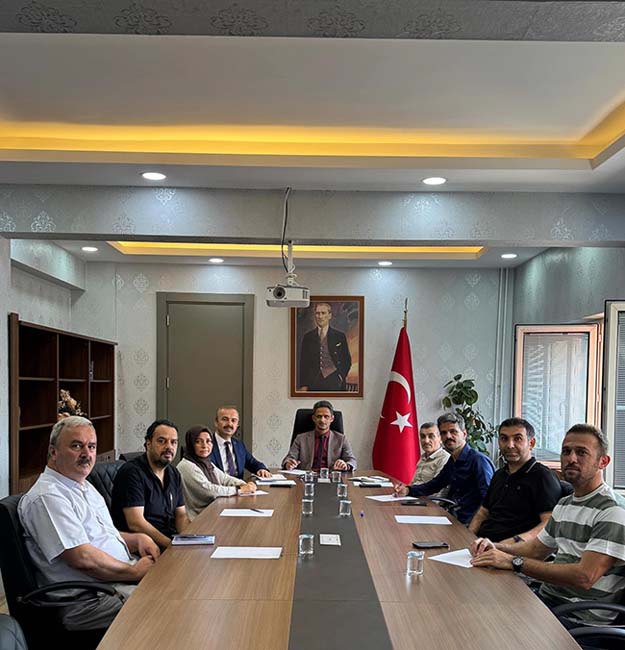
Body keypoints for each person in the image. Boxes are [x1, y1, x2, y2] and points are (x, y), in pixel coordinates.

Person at [471, 424, 625, 626]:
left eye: (581, 453)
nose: (571, 458)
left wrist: (514, 562)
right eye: (566, 451)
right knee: (476, 607)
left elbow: (584, 577)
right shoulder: (565, 504)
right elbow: (536, 550)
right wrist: (496, 548)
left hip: (578, 618)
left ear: (603, 462)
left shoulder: (613, 510)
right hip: (547, 602)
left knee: (488, 625)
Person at [18, 416, 159, 631]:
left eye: (91, 446)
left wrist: (136, 539)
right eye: (76, 446)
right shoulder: (48, 497)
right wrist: (133, 572)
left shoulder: (81, 484)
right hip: (88, 600)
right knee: (166, 604)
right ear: (53, 452)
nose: (87, 454)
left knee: (178, 586)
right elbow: (82, 558)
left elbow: (99, 535)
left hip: (113, 583)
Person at [468, 417, 562, 543]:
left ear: (531, 443)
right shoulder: (499, 475)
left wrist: (506, 545)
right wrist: (467, 538)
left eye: (517, 439)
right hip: (482, 543)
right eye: (504, 438)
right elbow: (483, 512)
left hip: (511, 549)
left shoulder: (543, 477)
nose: (510, 445)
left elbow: (548, 524)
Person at [393, 413, 494, 524]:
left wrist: (473, 529)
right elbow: (434, 485)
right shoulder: (453, 460)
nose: (448, 436)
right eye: (443, 433)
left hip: (469, 522)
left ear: (464, 434)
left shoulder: (479, 461)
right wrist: (408, 490)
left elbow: (489, 501)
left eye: (453, 431)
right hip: (453, 517)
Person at [112, 419, 189, 550]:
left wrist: (188, 541)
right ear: (148, 444)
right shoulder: (132, 473)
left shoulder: (173, 473)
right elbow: (136, 523)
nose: (169, 447)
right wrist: (171, 546)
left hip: (169, 543)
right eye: (162, 441)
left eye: (173, 442)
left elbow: (181, 515)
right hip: (142, 547)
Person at [178, 425, 258, 519]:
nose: (205, 446)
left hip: (213, 510)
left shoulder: (206, 462)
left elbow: (224, 479)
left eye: (208, 441)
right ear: (191, 444)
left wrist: (243, 484)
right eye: (198, 441)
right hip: (198, 517)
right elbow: (209, 490)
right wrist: (239, 490)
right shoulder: (187, 466)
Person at [282, 400, 357, 471]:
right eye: (319, 416)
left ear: (332, 419)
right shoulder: (301, 438)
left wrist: (346, 465)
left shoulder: (341, 439)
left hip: (331, 476)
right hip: (307, 476)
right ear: (313, 418)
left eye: (326, 416)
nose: (322, 420)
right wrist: (288, 463)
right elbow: (288, 458)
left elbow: (352, 461)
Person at [298, 302, 352, 391]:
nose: (320, 316)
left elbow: (347, 360)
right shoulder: (308, 337)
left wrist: (341, 376)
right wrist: (304, 385)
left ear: (329, 315)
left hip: (335, 381)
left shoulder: (339, 336)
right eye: (317, 313)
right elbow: (303, 363)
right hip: (313, 383)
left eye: (323, 313)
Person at [208, 406, 272, 479]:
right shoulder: (207, 444)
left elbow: (252, 463)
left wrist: (261, 469)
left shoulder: (239, 445)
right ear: (216, 422)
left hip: (239, 485)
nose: (229, 424)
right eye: (225, 419)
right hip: (217, 485)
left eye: (233, 420)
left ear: (237, 425)